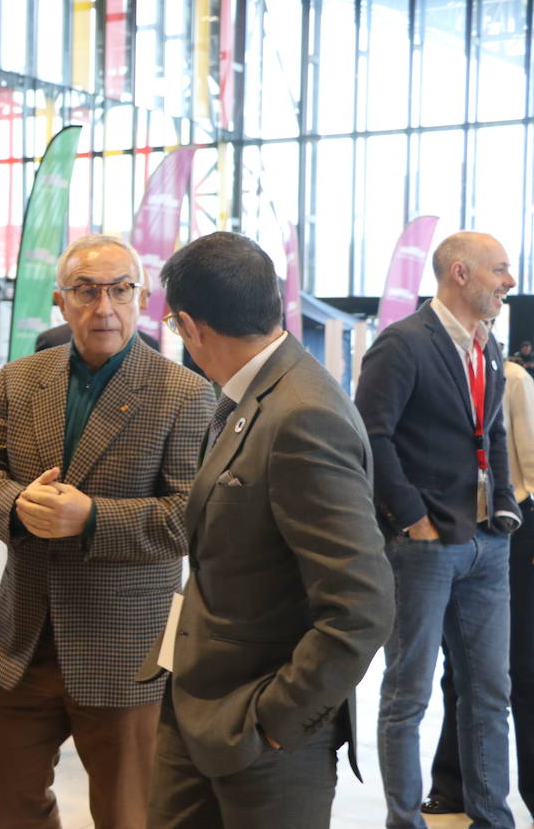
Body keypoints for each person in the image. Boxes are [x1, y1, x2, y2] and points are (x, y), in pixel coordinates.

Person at [143, 231, 395, 828]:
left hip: (263, 734)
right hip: (196, 708)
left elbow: (362, 605)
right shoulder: (244, 395)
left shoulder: (302, 414)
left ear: (190, 326)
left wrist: (276, 721)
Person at [0, 233, 213, 828]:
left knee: (128, 814)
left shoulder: (185, 393)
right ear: (60, 300)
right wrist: (17, 503)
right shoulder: (22, 380)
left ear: (143, 298)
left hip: (126, 649)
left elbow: (189, 517)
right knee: (12, 801)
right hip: (22, 641)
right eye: (86, 291)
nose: (104, 307)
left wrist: (92, 516)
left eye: (121, 290)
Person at [355, 231, 522, 829]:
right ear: (460, 272)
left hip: (487, 544)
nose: (508, 281)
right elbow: (371, 438)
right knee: (409, 695)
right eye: (499, 270)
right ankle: (406, 821)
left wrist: (503, 507)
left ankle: (491, 818)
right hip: (422, 548)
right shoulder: (402, 346)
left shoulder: (488, 345)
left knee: (489, 694)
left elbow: (494, 432)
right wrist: (412, 519)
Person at [422, 357, 534, 829]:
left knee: (523, 664)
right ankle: (452, 786)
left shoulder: (511, 378)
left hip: (515, 532)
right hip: (454, 529)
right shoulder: (429, 372)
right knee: (459, 663)